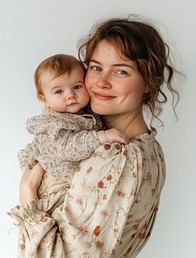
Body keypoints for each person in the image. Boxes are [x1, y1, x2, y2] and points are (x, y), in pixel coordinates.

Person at [8, 15, 179, 258]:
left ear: (149, 82)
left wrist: (27, 195)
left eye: (121, 71)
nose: (101, 82)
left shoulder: (119, 155)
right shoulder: (146, 147)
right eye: (96, 67)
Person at [18, 54, 129, 213]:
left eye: (77, 87)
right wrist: (102, 137)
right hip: (54, 183)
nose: (70, 95)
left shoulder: (84, 113)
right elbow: (67, 148)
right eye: (58, 91)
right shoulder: (55, 123)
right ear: (45, 100)